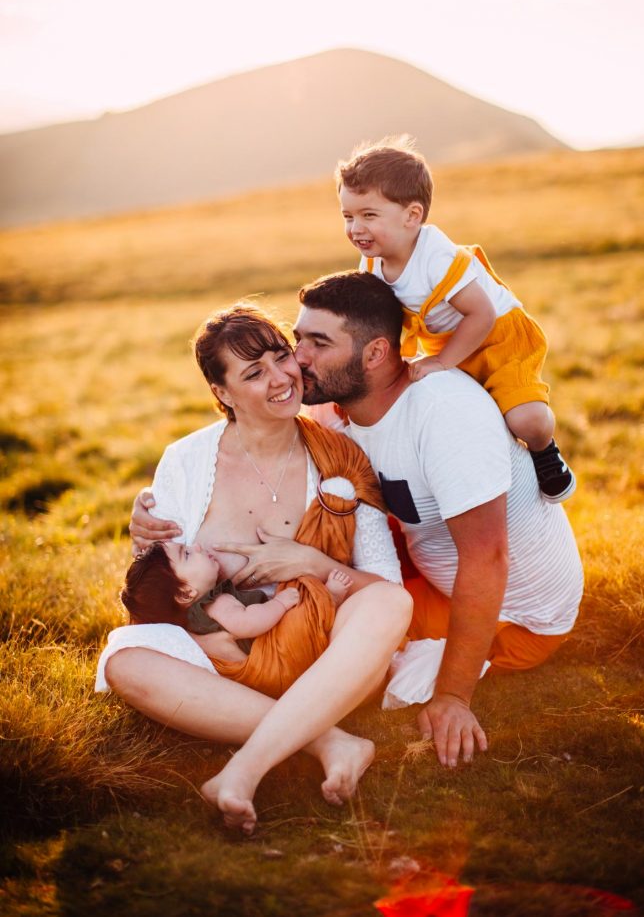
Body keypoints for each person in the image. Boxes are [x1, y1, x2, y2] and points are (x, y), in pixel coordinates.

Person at [97, 302, 412, 833]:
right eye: (252, 372)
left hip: (323, 655)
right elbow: (163, 585)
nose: (280, 378)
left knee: (391, 603)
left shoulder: (342, 458)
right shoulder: (187, 460)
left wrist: (309, 562)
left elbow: (382, 585)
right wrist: (140, 537)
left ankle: (243, 770)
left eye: (279, 357)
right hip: (225, 667)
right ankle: (328, 740)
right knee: (123, 662)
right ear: (221, 393)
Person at [284, 270, 584, 770]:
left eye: (318, 343)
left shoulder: (444, 414)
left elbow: (488, 559)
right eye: (299, 339)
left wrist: (453, 697)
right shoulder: (341, 409)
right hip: (430, 568)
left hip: (517, 614)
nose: (299, 358)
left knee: (321, 640)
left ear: (376, 353)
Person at [336, 136, 576, 503]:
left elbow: (481, 314)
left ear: (412, 216)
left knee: (524, 419)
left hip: (496, 336)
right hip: (442, 339)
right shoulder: (372, 259)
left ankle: (546, 452)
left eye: (369, 215)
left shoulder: (437, 258)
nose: (356, 229)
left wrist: (443, 363)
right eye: (348, 216)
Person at [120, 539, 354, 698]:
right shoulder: (215, 603)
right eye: (188, 554)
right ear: (185, 593)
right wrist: (279, 604)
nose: (198, 546)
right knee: (301, 619)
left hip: (272, 659)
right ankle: (328, 599)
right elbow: (246, 623)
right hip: (275, 653)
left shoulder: (198, 617)